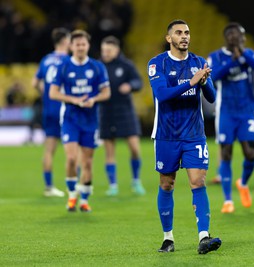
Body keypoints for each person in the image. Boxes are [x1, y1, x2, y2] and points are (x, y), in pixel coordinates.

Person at [148, 19, 221, 254]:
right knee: (166, 183)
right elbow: (161, 94)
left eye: (187, 32)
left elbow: (211, 97)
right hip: (167, 134)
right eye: (179, 33)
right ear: (169, 38)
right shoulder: (156, 63)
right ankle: (168, 238)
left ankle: (204, 237)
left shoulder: (199, 62)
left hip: (194, 134)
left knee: (198, 182)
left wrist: (204, 81)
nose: (184, 36)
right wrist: (190, 82)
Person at [49, 30, 111, 212]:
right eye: (77, 45)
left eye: (83, 44)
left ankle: (84, 199)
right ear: (71, 46)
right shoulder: (64, 67)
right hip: (70, 118)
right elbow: (53, 93)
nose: (80, 47)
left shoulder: (97, 67)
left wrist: (94, 100)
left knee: (88, 162)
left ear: (88, 46)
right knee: (70, 158)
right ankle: (71, 195)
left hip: (90, 120)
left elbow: (106, 93)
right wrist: (74, 100)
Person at [208, 22, 254, 213]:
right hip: (226, 112)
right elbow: (213, 76)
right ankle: (228, 200)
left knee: (250, 153)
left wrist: (243, 55)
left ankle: (243, 182)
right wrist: (233, 61)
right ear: (225, 37)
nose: (233, 36)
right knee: (226, 153)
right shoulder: (216, 56)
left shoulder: (249, 54)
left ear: (242, 37)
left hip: (246, 110)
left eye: (237, 33)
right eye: (230, 33)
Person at [99, 36, 145, 196]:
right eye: (104, 50)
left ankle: (136, 180)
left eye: (108, 50)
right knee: (109, 151)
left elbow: (139, 82)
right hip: (106, 111)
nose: (105, 53)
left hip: (125, 110)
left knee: (134, 148)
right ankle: (113, 185)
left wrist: (131, 85)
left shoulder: (126, 65)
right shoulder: (98, 67)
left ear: (117, 50)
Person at [32, 27, 71, 197]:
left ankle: (49, 187)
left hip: (49, 109)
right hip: (65, 109)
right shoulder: (69, 61)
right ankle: (74, 186)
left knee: (49, 150)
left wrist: (47, 94)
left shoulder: (45, 60)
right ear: (64, 41)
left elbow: (35, 82)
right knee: (73, 149)